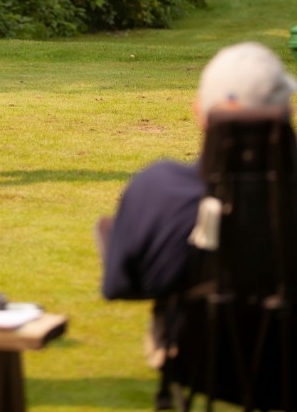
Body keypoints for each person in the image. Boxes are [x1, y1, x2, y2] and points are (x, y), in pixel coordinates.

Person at [97, 41, 297, 364]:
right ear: (287, 115)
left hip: (199, 363)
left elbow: (120, 284)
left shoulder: (160, 190)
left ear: (199, 113)